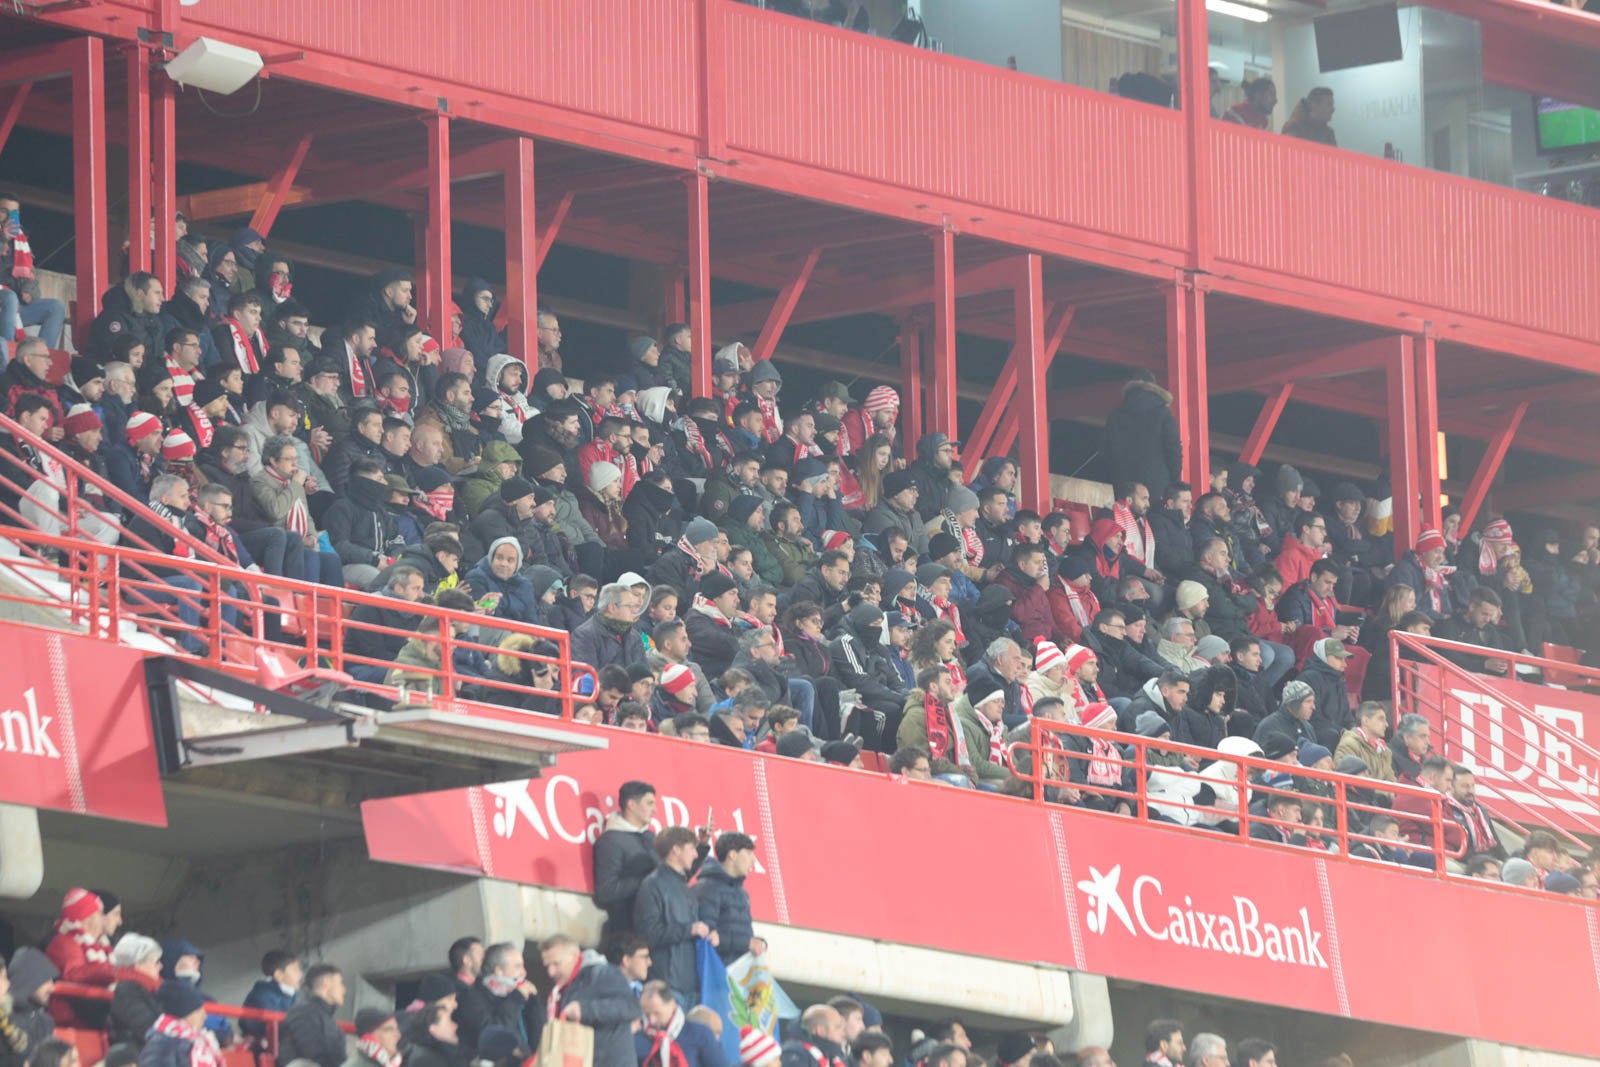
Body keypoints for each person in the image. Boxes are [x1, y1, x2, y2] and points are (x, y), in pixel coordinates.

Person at [634, 826, 711, 1004]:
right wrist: (690, 929)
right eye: (691, 849)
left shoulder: (684, 887)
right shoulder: (652, 885)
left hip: (690, 986)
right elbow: (647, 934)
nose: (695, 855)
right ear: (675, 850)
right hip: (667, 985)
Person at [537, 934, 638, 1067]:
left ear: (574, 955)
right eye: (547, 966)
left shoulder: (602, 973)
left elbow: (631, 1007)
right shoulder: (565, 989)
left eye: (556, 964)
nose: (551, 972)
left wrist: (585, 1009)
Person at [591, 780, 658, 935]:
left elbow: (673, 876)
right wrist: (647, 880)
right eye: (649, 803)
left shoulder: (650, 837)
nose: (654, 810)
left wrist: (701, 848)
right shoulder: (610, 841)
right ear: (631, 805)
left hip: (652, 928)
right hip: (627, 932)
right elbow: (606, 891)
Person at [1103, 372, 1181, 502]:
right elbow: (1174, 449)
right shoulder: (1163, 413)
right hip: (1157, 482)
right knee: (1153, 520)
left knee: (1125, 519)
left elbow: (1106, 450)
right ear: (1155, 387)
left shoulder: (1115, 415)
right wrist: (1171, 479)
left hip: (1123, 481)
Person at [456, 943, 538, 1053]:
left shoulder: (519, 995)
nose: (524, 973)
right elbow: (494, 1037)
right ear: (499, 971)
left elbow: (539, 1035)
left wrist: (534, 1002)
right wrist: (515, 999)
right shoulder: (472, 998)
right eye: (517, 967)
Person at [692, 832, 758, 964]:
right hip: (718, 973)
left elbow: (744, 935)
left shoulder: (742, 893)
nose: (754, 860)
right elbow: (708, 936)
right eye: (749, 853)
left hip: (738, 973)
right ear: (732, 855)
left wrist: (759, 943)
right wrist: (746, 943)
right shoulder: (708, 889)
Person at [636, 981, 726, 1067]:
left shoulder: (700, 1034)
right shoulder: (637, 1040)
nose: (652, 1020)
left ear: (671, 1004)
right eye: (647, 1014)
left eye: (657, 1013)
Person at [277, 964, 347, 1067]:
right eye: (340, 983)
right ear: (325, 984)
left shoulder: (323, 1016)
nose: (344, 989)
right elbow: (314, 1054)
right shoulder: (303, 1013)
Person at [137, 981, 217, 1067]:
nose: (204, 1016)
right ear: (186, 1014)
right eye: (198, 1011)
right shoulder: (162, 1047)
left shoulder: (192, 1039)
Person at [107, 934, 164, 1049]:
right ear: (138, 965)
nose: (161, 966)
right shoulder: (126, 991)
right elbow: (147, 1028)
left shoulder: (152, 989)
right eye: (156, 962)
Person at [239, 949, 300, 1042]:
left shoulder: (293, 994)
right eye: (295, 970)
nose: (300, 974)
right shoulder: (263, 995)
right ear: (279, 975)